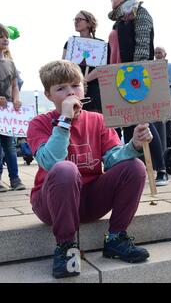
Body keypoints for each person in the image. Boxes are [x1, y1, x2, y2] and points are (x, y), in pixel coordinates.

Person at [27, 60, 151, 279]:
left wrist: (134, 146)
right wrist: (64, 120)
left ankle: (116, 239)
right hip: (51, 203)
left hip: (90, 199)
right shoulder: (39, 123)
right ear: (48, 95)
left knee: (134, 167)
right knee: (65, 169)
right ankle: (66, 248)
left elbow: (112, 160)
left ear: (84, 87)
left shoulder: (98, 120)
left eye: (75, 85)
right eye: (60, 88)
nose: (70, 92)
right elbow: (50, 162)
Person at [108, 0, 168, 186]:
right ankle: (139, 170)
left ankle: (161, 169)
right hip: (118, 77)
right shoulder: (119, 20)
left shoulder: (140, 13)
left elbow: (143, 47)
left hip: (133, 77)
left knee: (144, 121)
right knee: (128, 125)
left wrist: (133, 76)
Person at [0, 23, 26, 192]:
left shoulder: (10, 63)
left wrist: (16, 99)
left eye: (6, 36)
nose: (5, 39)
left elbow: (15, 85)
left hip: (7, 111)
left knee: (9, 146)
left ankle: (15, 179)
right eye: (1, 36)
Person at [63, 11, 104, 113]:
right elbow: (64, 64)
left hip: (94, 87)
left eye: (79, 19)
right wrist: (77, 82)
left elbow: (102, 68)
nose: (76, 22)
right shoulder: (70, 43)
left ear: (89, 23)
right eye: (75, 20)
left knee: (94, 116)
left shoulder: (100, 44)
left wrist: (85, 80)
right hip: (74, 86)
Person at [154, 46, 171, 151]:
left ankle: (169, 146)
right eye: (155, 53)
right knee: (160, 124)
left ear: (165, 54)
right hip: (157, 99)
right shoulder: (152, 68)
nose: (157, 55)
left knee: (169, 124)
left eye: (159, 52)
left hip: (170, 98)